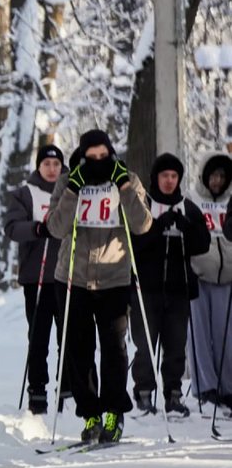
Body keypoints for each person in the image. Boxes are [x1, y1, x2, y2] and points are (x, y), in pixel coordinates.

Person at [45, 129, 152, 443]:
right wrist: (72, 191)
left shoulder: (126, 178)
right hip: (73, 278)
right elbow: (56, 227)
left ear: (111, 154)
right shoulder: (69, 181)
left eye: (103, 157)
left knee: (114, 350)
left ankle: (113, 412)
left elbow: (142, 224)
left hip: (114, 278)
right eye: (90, 159)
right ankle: (89, 412)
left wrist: (124, 186)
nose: (97, 163)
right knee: (79, 350)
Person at [129, 153, 210, 416]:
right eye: (165, 176)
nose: (169, 181)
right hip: (148, 288)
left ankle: (173, 394)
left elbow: (202, 243)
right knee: (145, 343)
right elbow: (134, 243)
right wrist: (157, 228)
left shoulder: (188, 207)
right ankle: (143, 391)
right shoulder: (145, 203)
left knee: (176, 345)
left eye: (174, 176)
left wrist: (185, 227)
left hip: (178, 289)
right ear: (156, 177)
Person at [3, 144, 66, 414]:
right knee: (39, 337)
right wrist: (37, 228)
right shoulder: (25, 193)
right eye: (47, 165)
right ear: (39, 166)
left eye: (56, 165)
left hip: (68, 275)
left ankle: (68, 388)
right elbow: (12, 228)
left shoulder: (72, 191)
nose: (52, 170)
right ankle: (37, 389)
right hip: (37, 276)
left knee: (70, 336)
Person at [187, 152, 232, 409]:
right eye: (213, 175)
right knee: (200, 334)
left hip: (227, 275)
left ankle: (228, 386)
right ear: (205, 176)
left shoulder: (231, 202)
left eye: (222, 176)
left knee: (226, 334)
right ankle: (206, 386)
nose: (217, 181)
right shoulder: (193, 200)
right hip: (200, 273)